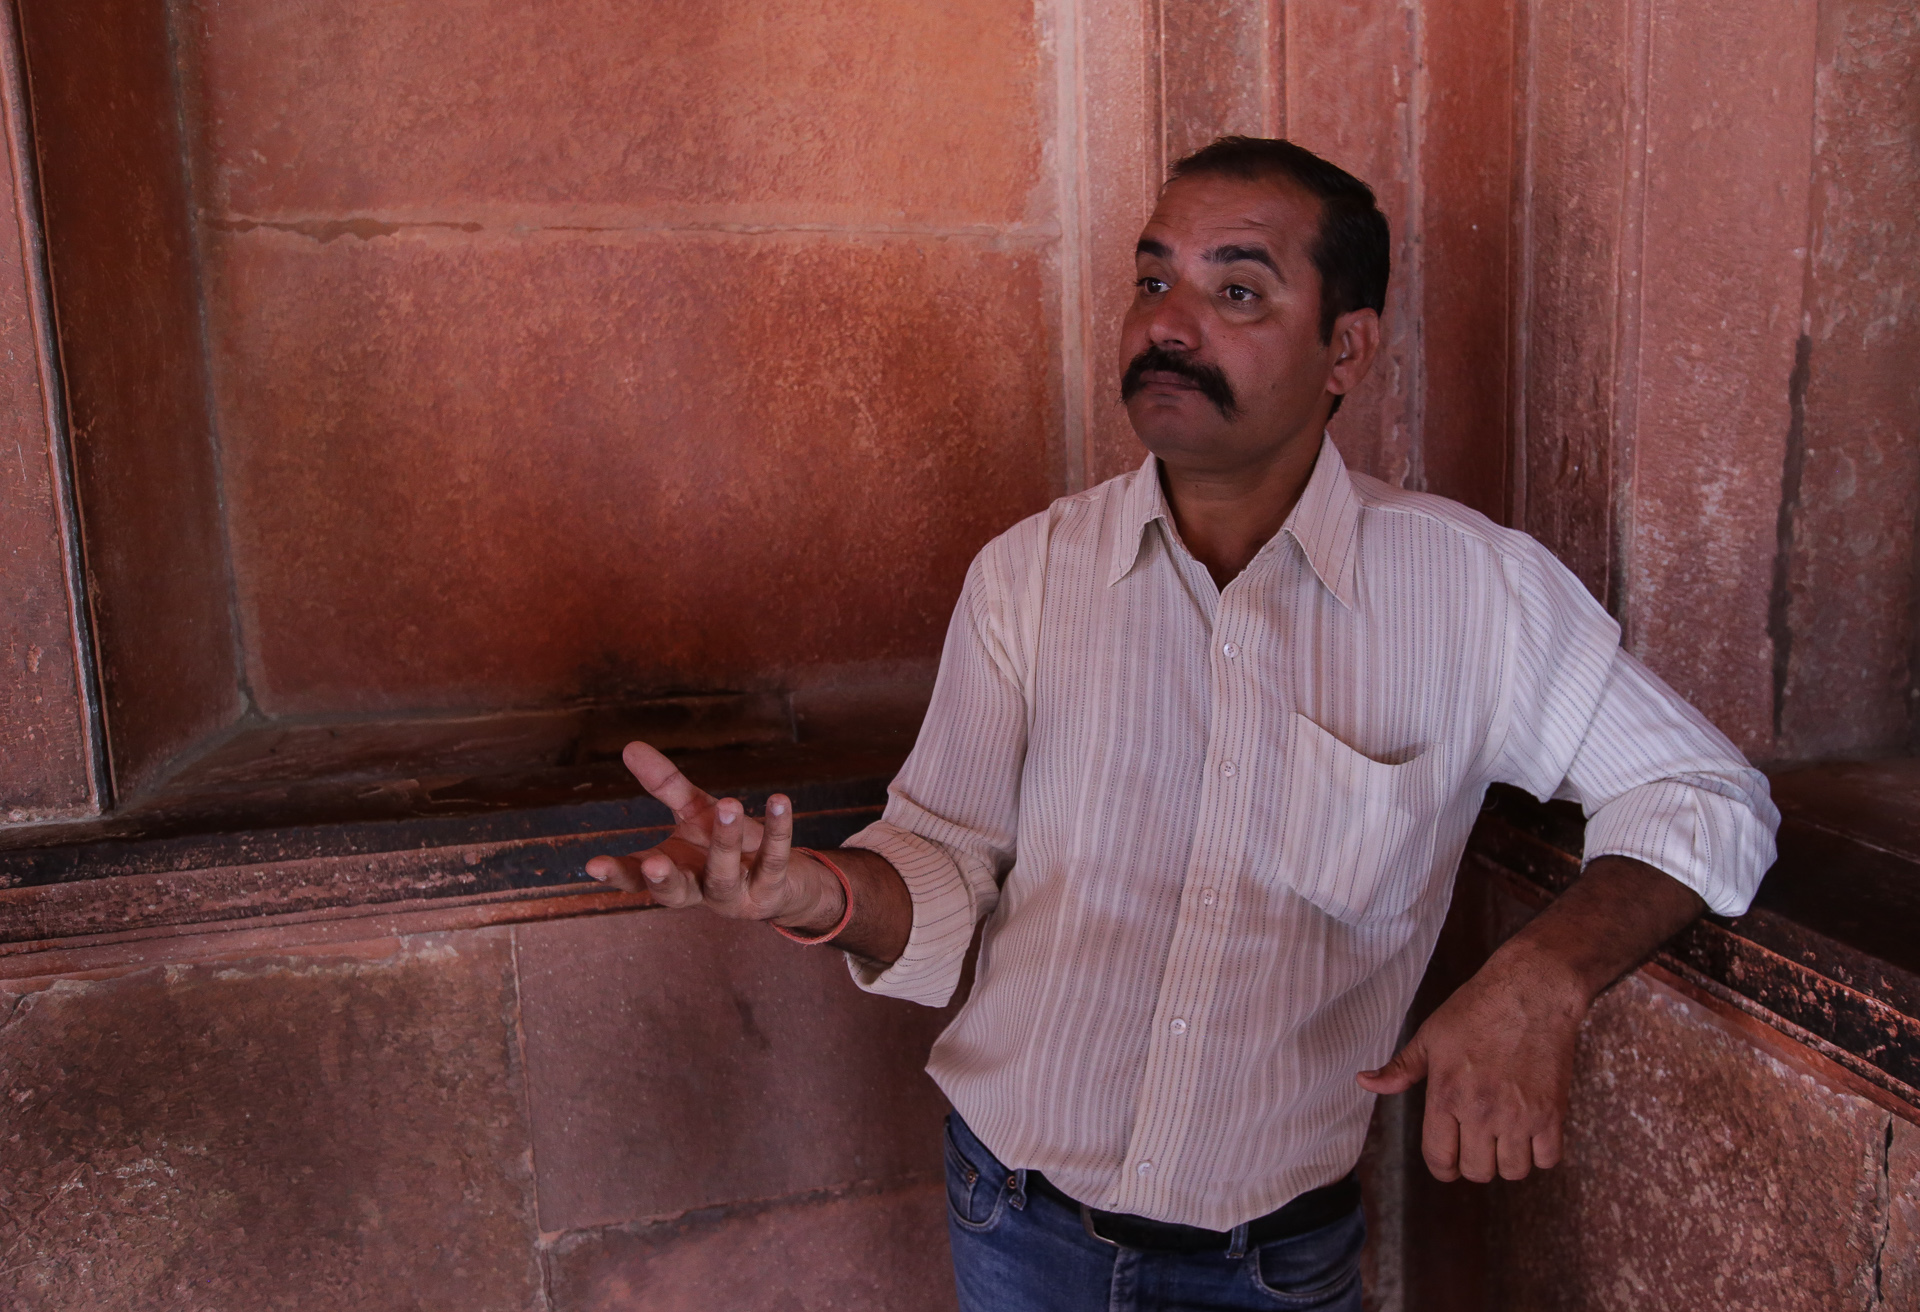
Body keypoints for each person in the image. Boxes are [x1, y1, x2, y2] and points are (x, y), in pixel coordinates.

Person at [585, 136, 1777, 1312]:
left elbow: (1706, 796)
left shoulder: (1475, 596)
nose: (1169, 321)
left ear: (1344, 348)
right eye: (1153, 280)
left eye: (1237, 289)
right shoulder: (1028, 577)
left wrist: (1543, 978)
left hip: (1273, 1259)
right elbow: (944, 863)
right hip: (1013, 1215)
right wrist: (810, 893)